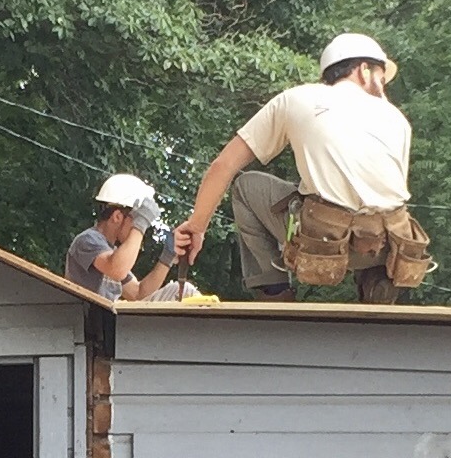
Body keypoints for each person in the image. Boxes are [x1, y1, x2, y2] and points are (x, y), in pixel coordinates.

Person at [170, 34, 430, 302]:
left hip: (324, 239)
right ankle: (376, 283)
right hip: (389, 246)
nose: (383, 87)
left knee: (246, 187)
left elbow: (223, 165)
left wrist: (197, 227)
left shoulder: (298, 98)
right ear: (364, 70)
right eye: (381, 77)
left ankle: (275, 296)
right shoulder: (397, 119)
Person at [63, 173, 172, 301]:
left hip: (101, 319)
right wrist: (140, 225)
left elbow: (138, 293)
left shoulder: (113, 254)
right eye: (136, 220)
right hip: (81, 319)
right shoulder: (87, 240)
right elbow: (117, 270)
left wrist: (168, 256)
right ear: (117, 217)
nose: (140, 229)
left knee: (181, 289)